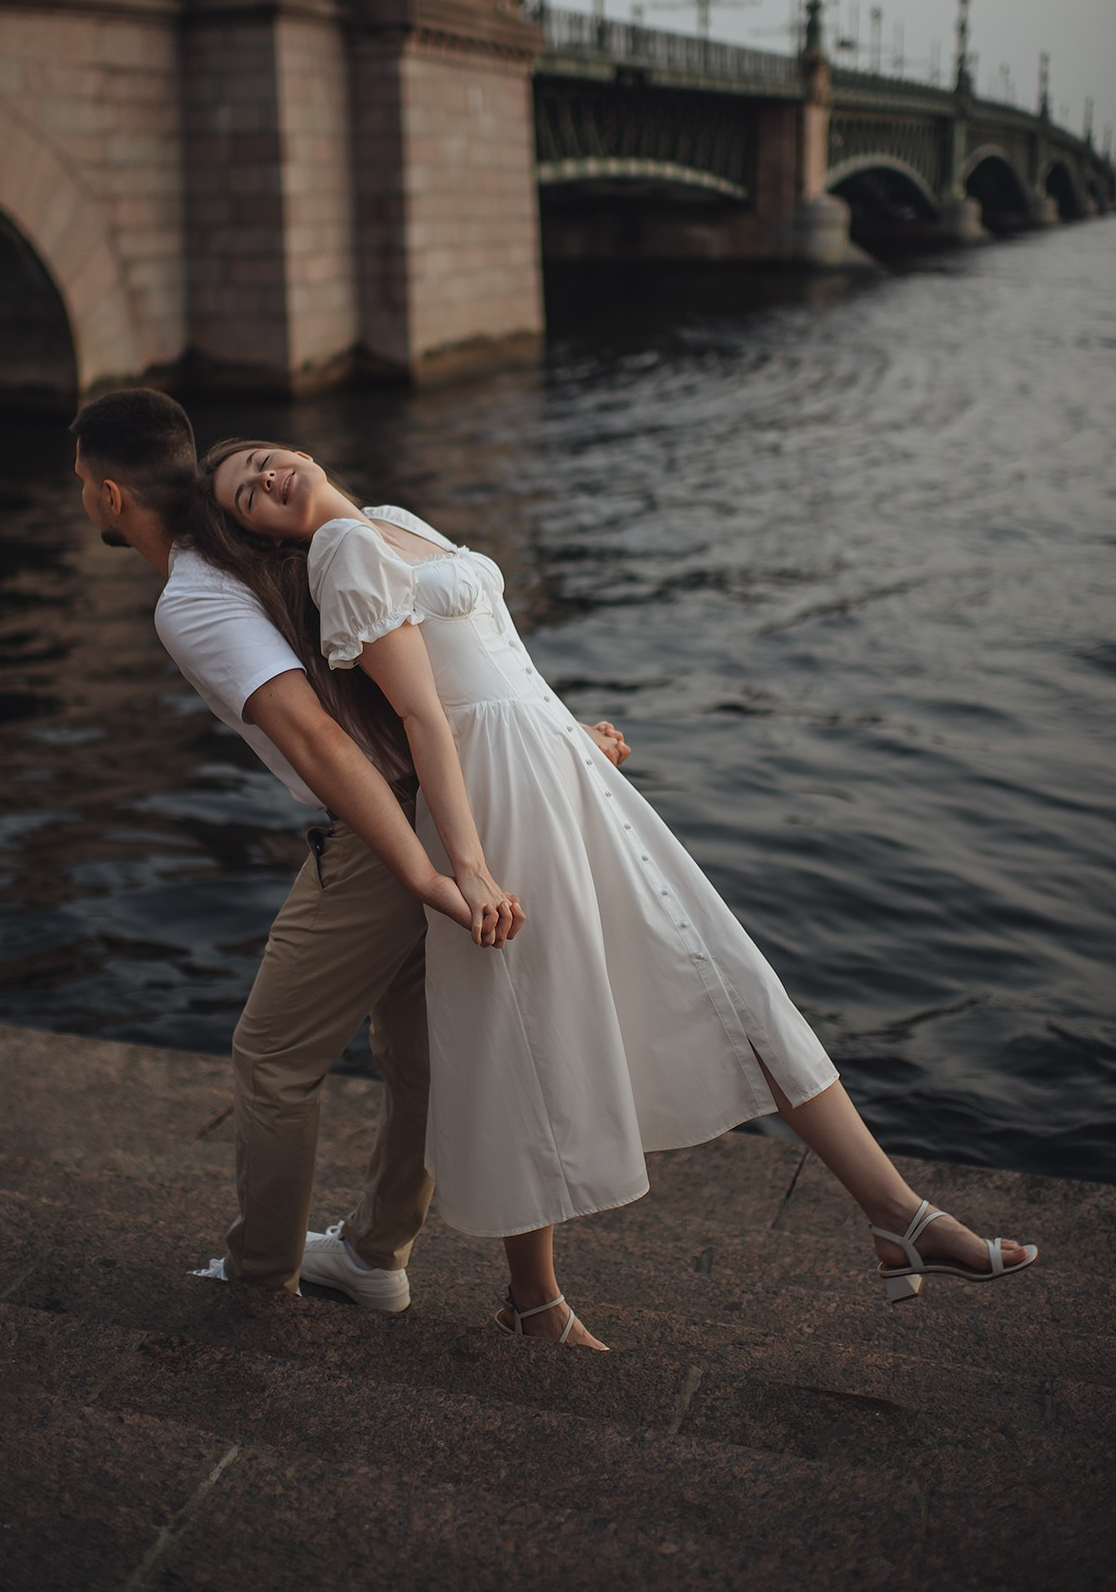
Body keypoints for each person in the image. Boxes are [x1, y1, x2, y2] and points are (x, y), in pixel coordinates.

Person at [194, 437, 1039, 1349]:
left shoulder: (392, 522)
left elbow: (494, 655)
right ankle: (538, 1297)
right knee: (531, 1027)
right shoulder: (339, 553)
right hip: (497, 798)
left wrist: (566, 732)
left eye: (263, 461)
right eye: (248, 496)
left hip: (554, 770)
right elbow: (424, 714)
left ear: (299, 450)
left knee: (718, 975)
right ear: (264, 533)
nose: (267, 480)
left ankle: (896, 1214)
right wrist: (468, 865)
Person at [69, 390, 624, 1309]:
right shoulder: (258, 545)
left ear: (110, 495)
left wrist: (424, 872)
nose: (85, 494)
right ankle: (374, 1251)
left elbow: (319, 741)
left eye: (81, 481)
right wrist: (558, 745)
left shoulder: (194, 597)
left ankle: (261, 1276)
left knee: (273, 1057)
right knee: (416, 1049)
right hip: (452, 794)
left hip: (387, 825)